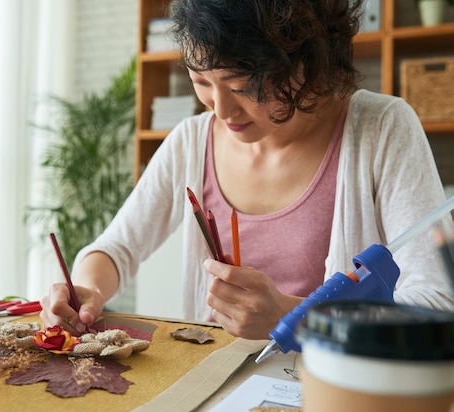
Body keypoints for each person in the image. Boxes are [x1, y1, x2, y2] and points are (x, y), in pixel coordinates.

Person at [40, 0, 454, 339]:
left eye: (242, 86)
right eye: (201, 81)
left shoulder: (381, 129)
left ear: (305, 62)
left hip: (334, 391)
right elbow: (117, 249)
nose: (220, 109)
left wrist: (294, 316)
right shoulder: (191, 141)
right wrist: (89, 289)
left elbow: (437, 303)